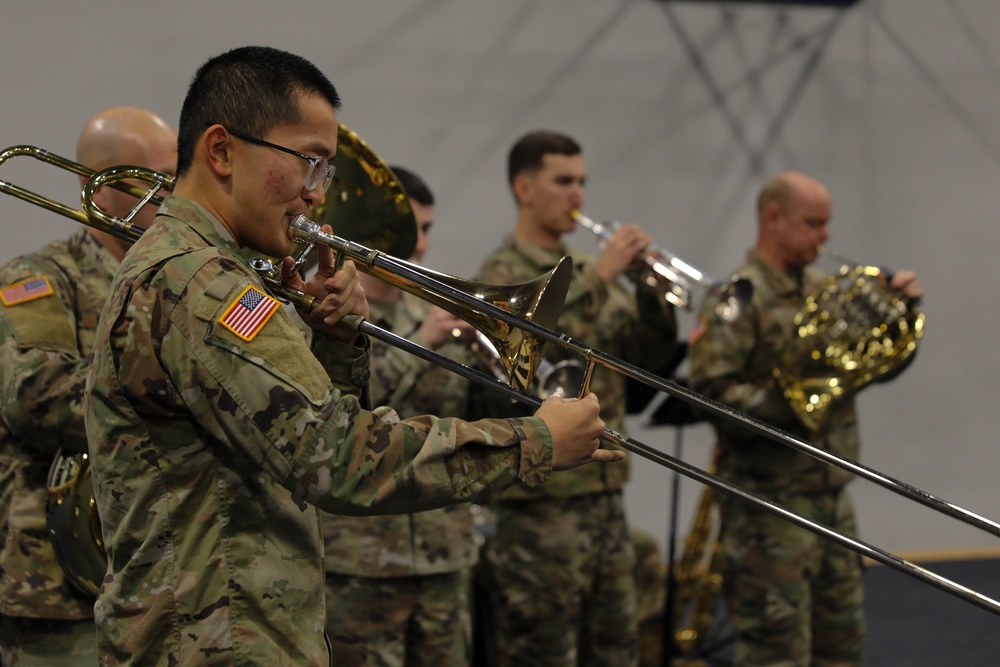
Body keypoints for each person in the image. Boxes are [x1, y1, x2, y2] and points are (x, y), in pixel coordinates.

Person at [83, 46, 619, 667]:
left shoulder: (202, 270)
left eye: (325, 173)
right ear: (222, 150)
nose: (316, 196)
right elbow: (334, 458)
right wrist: (534, 441)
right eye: (309, 164)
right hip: (214, 641)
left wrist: (336, 346)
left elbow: (274, 446)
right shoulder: (204, 284)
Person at [688, 171, 923, 667]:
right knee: (776, 655)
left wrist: (903, 314)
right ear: (774, 219)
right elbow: (710, 395)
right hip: (767, 511)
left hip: (832, 498)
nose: (825, 236)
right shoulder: (739, 297)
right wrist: (794, 400)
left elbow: (875, 366)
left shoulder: (827, 289)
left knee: (842, 648)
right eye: (813, 223)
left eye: (827, 224)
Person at [474, 130, 678, 667]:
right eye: (563, 181)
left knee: (617, 650)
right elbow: (525, 357)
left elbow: (646, 355)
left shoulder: (592, 272)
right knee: (543, 653)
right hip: (540, 505)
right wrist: (605, 275)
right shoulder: (500, 275)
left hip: (605, 497)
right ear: (524, 187)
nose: (578, 196)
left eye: (582, 182)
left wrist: (651, 293)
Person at [0, 106, 177, 666]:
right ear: (96, 190)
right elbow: (34, 395)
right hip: (63, 579)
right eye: (155, 182)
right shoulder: (40, 278)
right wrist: (178, 387)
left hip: (173, 574)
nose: (173, 197)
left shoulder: (183, 280)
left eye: (179, 179)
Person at [322, 166, 480, 667]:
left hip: (443, 549)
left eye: (429, 229)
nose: (422, 246)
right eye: (413, 228)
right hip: (362, 559)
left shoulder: (438, 313)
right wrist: (422, 346)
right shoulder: (330, 315)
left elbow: (465, 418)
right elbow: (342, 412)